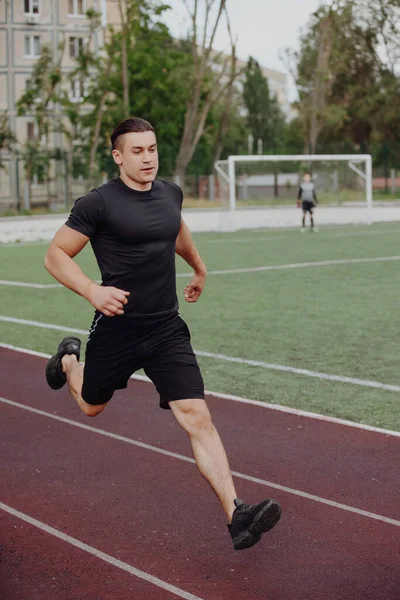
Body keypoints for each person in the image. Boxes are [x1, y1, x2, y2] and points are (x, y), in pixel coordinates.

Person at [44, 117, 281, 550]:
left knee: (197, 415)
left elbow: (176, 229)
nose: (147, 157)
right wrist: (92, 290)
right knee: (92, 406)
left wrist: (199, 266)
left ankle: (237, 516)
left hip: (166, 328)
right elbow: (55, 254)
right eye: (137, 151)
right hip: (117, 329)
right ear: (118, 156)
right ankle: (68, 361)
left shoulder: (171, 193)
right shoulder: (97, 203)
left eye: (152, 149)